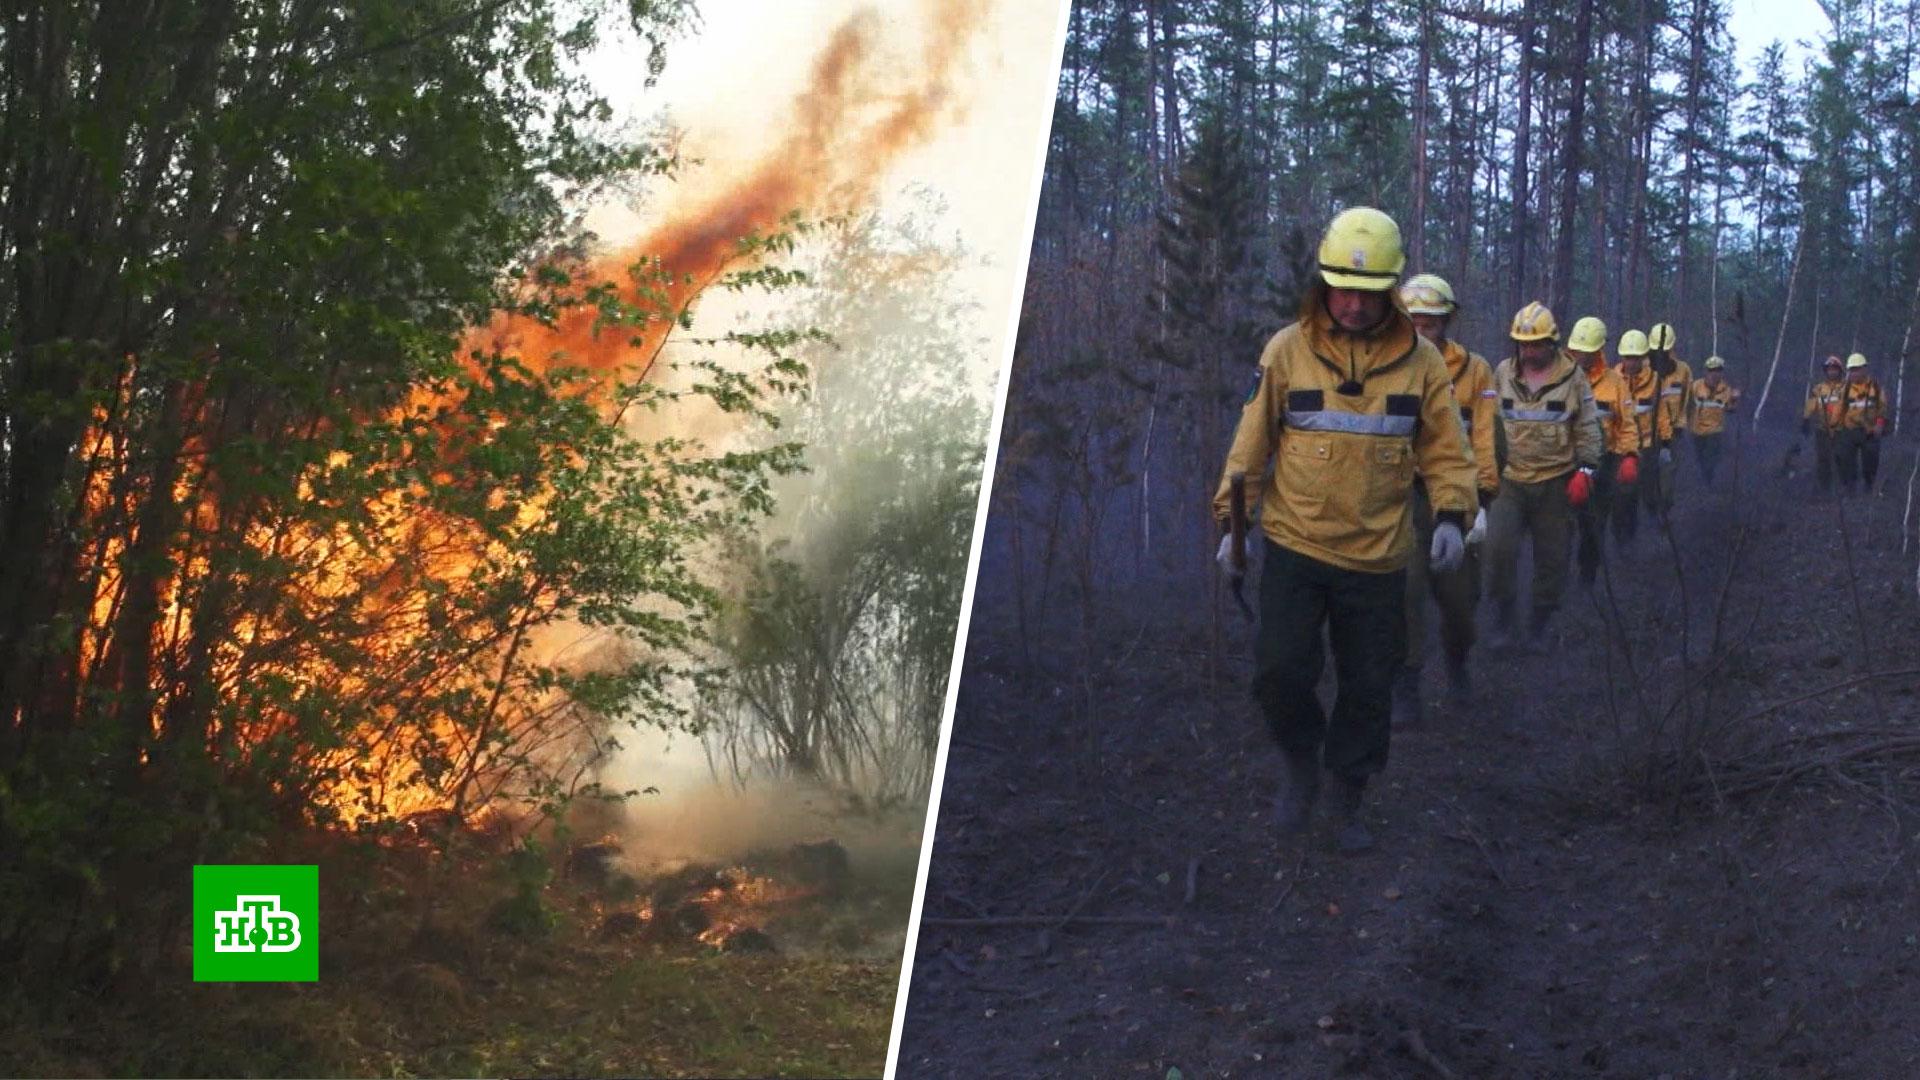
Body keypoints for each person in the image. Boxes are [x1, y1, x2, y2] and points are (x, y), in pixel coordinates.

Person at [1213, 207, 1477, 853]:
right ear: (1321, 284)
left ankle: (1347, 792)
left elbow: (1447, 452)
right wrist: (1231, 524)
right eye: (1341, 289)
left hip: (1380, 557)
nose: (1353, 305)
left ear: (1390, 291)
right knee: (1279, 673)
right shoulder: (1285, 351)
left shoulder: (1423, 366)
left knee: (1367, 687)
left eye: (1367, 293)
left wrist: (1450, 517)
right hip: (1296, 546)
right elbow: (1251, 444)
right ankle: (1301, 765)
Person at [1392, 273, 1501, 723]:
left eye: (1431, 324)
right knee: (1406, 594)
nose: (1422, 332)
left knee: (1459, 603)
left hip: (1456, 495)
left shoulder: (1475, 371)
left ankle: (1457, 661)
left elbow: (1485, 436)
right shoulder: (1387, 367)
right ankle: (1407, 687)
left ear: (1447, 323)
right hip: (1401, 500)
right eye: (1413, 322)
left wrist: (1483, 500)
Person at [1485, 302, 1604, 651]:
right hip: (1510, 479)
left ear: (1552, 343)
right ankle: (1505, 621)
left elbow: (1587, 428)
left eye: (1536, 344)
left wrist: (1586, 469)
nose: (1529, 351)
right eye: (1523, 344)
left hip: (1556, 481)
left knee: (1553, 558)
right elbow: (1488, 424)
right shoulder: (1502, 374)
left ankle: (1539, 625)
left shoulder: (1573, 378)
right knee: (1499, 550)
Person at [1566, 316, 1639, 586]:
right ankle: (1553, 581)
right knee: (1559, 525)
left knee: (1593, 527)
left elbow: (1627, 425)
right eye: (1577, 351)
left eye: (1587, 352)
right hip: (1564, 463)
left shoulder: (1615, 384)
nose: (1581, 356)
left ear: (1599, 351)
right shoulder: (1561, 378)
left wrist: (1629, 456)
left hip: (1603, 465)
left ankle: (1587, 579)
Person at [1646, 322, 1691, 514]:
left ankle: (1664, 513)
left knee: (1667, 476)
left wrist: (1680, 425)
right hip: (1646, 435)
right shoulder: (1643, 369)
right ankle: (1649, 510)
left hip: (1671, 434)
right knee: (1646, 477)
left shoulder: (1683, 371)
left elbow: (1685, 401)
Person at [1834, 352, 1887, 494]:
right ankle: (1850, 492)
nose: (1854, 373)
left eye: (1857, 369)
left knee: (1870, 463)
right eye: (1851, 370)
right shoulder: (1844, 390)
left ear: (1864, 369)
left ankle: (1868, 489)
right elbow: (1837, 412)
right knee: (1847, 463)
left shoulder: (1875, 388)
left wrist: (1879, 425)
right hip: (1849, 431)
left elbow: (1882, 409)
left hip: (1869, 432)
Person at [1688, 356, 1740, 488]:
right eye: (1712, 370)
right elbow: (1687, 404)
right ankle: (1701, 483)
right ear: (1706, 371)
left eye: (1718, 370)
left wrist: (1734, 400)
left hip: (1715, 431)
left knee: (1710, 459)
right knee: (1700, 458)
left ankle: (1707, 483)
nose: (1715, 374)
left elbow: (1731, 410)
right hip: (1697, 431)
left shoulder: (1726, 390)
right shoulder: (1695, 386)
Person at [1802, 355, 1848, 494]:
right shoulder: (1819, 389)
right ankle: (1824, 490)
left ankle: (1845, 490)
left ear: (1840, 371)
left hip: (1842, 430)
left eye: (1834, 369)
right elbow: (1811, 405)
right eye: (1829, 369)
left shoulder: (1847, 389)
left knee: (1843, 460)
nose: (1832, 372)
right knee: (1823, 461)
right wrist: (1805, 419)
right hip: (1823, 431)